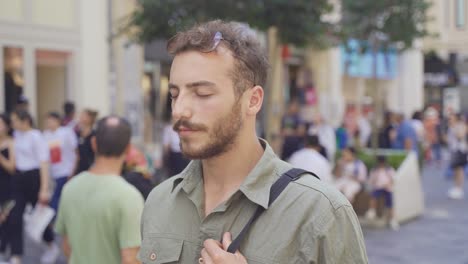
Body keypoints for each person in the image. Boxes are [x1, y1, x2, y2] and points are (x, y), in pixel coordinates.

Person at [140, 20, 367, 263]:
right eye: (174, 95)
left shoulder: (320, 212)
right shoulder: (159, 201)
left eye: (202, 93)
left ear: (253, 100)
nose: (179, 110)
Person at [55, 116, 144, 264]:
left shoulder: (70, 188)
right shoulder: (129, 196)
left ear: (94, 143)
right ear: (128, 149)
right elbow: (131, 259)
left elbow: (66, 247)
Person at [7, 110, 56, 264]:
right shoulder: (16, 136)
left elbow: (44, 163)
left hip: (34, 178)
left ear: (25, 120)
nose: (13, 123)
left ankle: (51, 245)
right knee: (14, 217)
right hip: (19, 178)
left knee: (39, 219)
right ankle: (16, 256)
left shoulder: (36, 136)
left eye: (15, 120)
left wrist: (44, 188)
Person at [42, 112, 78, 212]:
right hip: (52, 173)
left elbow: (76, 152)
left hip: (65, 170)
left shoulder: (66, 132)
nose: (49, 124)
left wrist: (72, 171)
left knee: (56, 199)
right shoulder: (46, 134)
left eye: (51, 121)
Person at [365, 156, 399, 230]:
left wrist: (388, 184)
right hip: (378, 188)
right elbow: (371, 180)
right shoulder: (375, 171)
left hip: (387, 189)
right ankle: (372, 210)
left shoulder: (389, 170)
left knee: (390, 203)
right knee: (373, 196)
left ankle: (392, 219)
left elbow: (393, 179)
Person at [0, 114, 15, 259]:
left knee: (6, 220)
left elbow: (12, 167)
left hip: (7, 187)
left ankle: (5, 252)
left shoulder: (11, 143)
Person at [446, 113, 467, 199]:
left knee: (459, 169)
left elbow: (461, 136)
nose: (450, 120)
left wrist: (454, 129)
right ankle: (456, 187)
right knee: (455, 170)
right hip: (454, 149)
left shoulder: (460, 126)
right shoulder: (452, 126)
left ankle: (459, 188)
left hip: (460, 150)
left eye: (451, 118)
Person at [73, 109, 98, 176]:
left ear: (90, 118)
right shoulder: (77, 134)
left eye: (83, 115)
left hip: (90, 169)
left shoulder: (94, 135)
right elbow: (76, 154)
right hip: (79, 169)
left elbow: (97, 154)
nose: (80, 117)